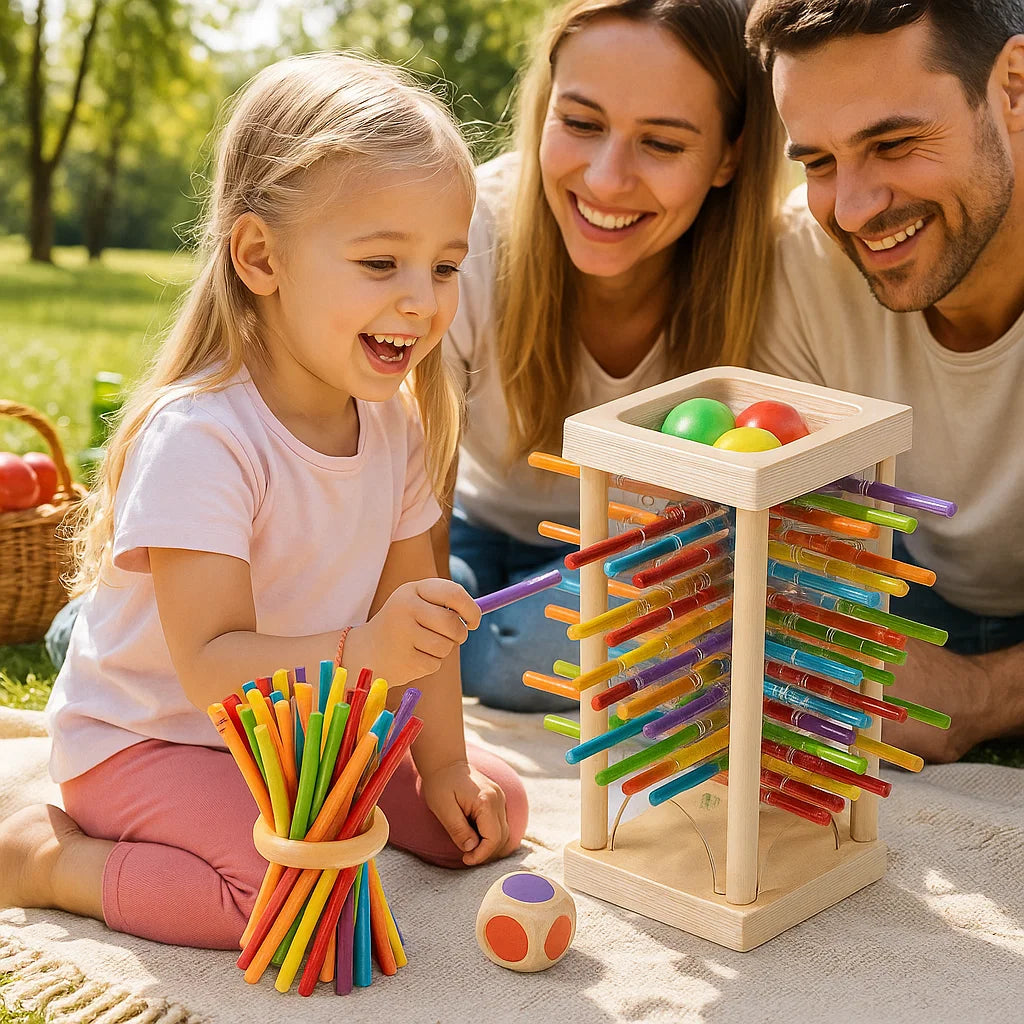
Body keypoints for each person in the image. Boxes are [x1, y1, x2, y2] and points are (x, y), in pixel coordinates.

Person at [0, 53, 526, 949]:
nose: (421, 301)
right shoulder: (204, 438)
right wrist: (365, 652)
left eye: (444, 267)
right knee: (291, 903)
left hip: (303, 730)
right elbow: (211, 668)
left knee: (493, 808)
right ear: (260, 257)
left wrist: (443, 763)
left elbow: (423, 616)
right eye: (380, 262)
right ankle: (43, 859)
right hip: (155, 740)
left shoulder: (393, 422)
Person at [439, 0, 783, 712]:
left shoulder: (775, 272)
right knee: (421, 612)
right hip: (467, 530)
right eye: (581, 123)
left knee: (523, 650)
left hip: (637, 556)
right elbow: (402, 495)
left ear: (729, 154)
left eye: (661, 143)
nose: (604, 180)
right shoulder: (467, 232)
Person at [745, 0, 1024, 762]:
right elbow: (800, 566)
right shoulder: (799, 270)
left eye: (894, 144)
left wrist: (981, 697)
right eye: (818, 162)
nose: (854, 209)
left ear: (1013, 88)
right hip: (909, 601)